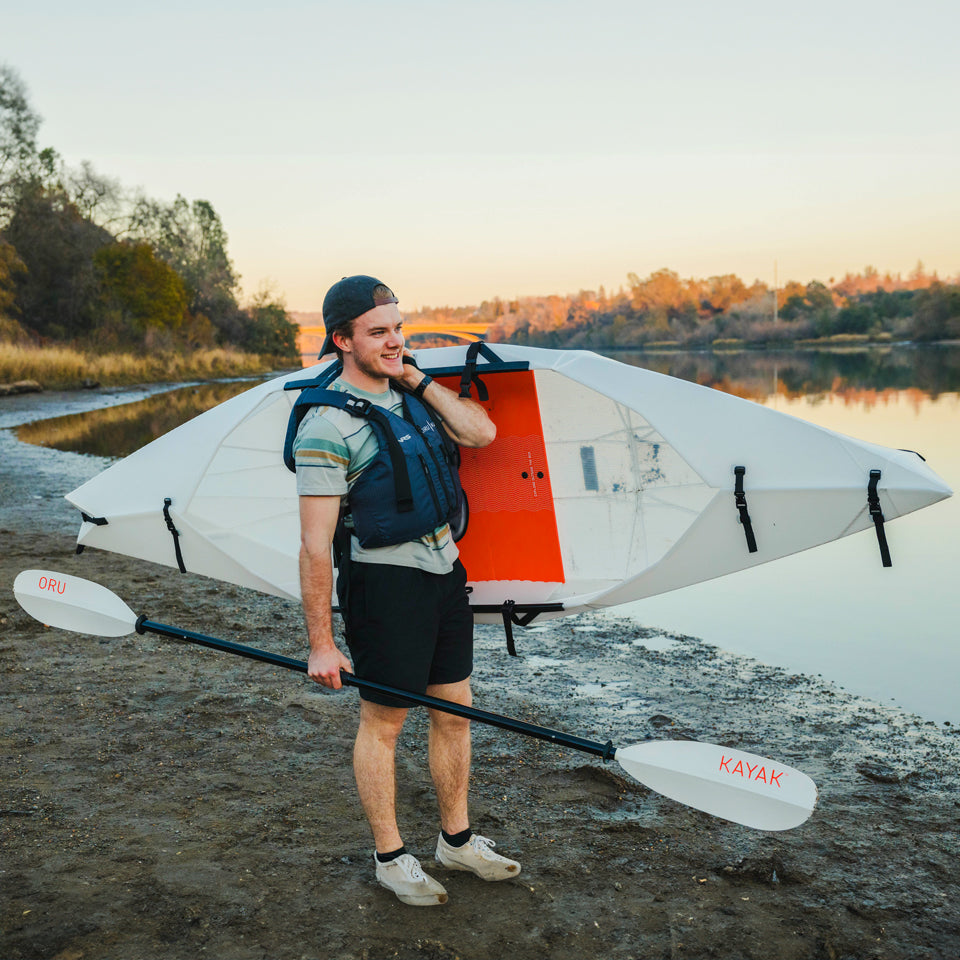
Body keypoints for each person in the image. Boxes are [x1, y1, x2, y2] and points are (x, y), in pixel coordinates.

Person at [294, 275, 520, 907]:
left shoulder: (413, 392)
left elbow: (481, 435)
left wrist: (417, 379)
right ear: (341, 340)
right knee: (385, 722)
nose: (393, 341)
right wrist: (321, 642)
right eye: (377, 332)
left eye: (398, 328)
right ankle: (391, 857)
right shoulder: (326, 424)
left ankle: (457, 841)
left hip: (445, 571)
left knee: (455, 711)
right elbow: (315, 544)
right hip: (384, 584)